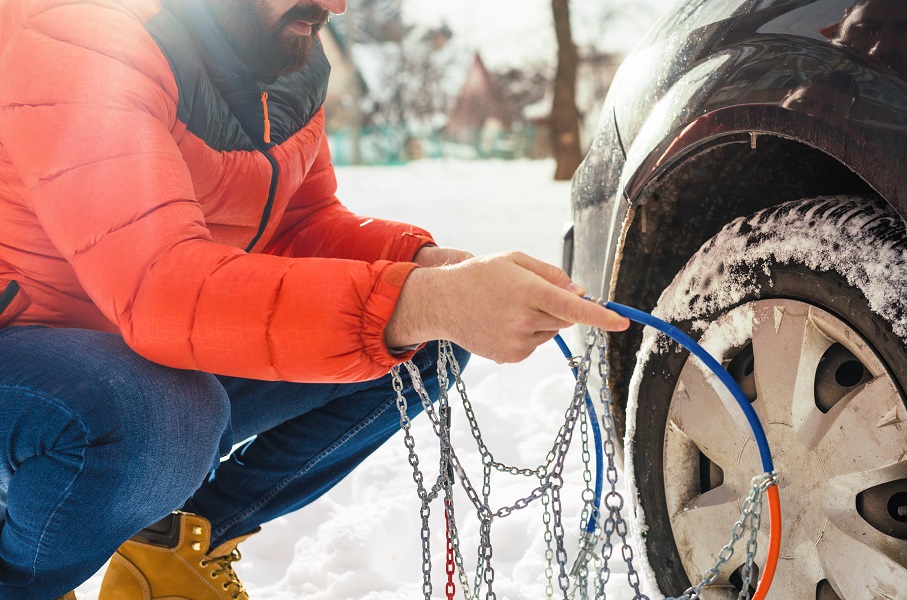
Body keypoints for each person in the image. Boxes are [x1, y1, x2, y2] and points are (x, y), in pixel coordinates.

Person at [0, 0, 628, 598]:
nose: (339, 6)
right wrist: (421, 299)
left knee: (425, 343)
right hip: (28, 351)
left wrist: (428, 270)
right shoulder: (82, 34)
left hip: (131, 342)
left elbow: (299, 227)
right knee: (159, 418)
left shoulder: (279, 57)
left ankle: (172, 545)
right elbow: (162, 287)